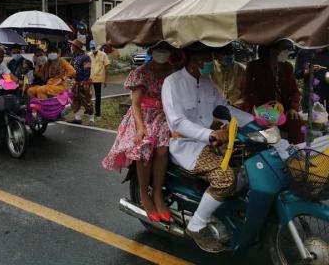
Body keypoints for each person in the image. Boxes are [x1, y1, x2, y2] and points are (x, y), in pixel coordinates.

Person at [161, 44, 235, 253]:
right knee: (225, 178)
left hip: (213, 143)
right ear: (193, 59)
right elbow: (177, 122)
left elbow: (225, 109)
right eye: (208, 57)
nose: (212, 61)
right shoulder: (172, 83)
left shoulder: (207, 82)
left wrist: (256, 121)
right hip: (187, 147)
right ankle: (196, 224)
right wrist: (209, 134)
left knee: (246, 167)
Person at [103, 44, 173, 222]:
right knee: (144, 147)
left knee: (163, 149)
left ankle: (157, 194)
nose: (163, 53)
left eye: (166, 49)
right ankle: (143, 194)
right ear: (151, 50)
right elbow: (135, 104)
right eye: (159, 48)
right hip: (142, 115)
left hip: (165, 115)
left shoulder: (173, 71)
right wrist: (141, 127)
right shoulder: (140, 73)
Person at [242, 41, 303, 144]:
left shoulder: (287, 67)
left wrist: (293, 107)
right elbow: (247, 93)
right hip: (262, 111)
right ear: (273, 50)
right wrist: (252, 110)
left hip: (283, 111)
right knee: (263, 130)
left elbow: (295, 92)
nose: (287, 52)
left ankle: (296, 149)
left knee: (295, 120)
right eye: (284, 49)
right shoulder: (254, 67)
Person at [295, 48, 329, 112]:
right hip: (309, 96)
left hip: (326, 96)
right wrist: (307, 71)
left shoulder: (327, 52)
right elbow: (297, 74)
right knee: (308, 116)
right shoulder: (303, 52)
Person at [69, 39, 94, 126]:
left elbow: (87, 70)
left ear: (77, 47)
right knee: (74, 100)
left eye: (72, 46)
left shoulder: (86, 57)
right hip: (76, 82)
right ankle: (77, 118)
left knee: (87, 101)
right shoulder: (74, 57)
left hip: (84, 82)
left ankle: (91, 120)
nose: (71, 47)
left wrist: (84, 82)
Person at [89, 40, 110, 118]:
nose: (93, 49)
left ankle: (98, 112)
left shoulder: (103, 55)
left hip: (99, 78)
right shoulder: (88, 55)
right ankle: (89, 110)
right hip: (90, 78)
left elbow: (106, 67)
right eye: (92, 48)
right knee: (88, 95)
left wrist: (105, 80)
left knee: (98, 96)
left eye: (94, 47)